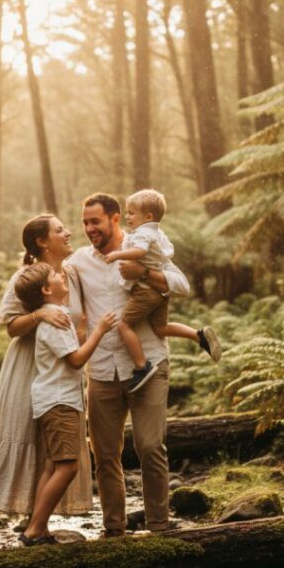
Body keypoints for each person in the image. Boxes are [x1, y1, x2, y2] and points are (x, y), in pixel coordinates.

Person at [0, 214, 92, 553]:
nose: (68, 233)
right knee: (13, 436)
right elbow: (10, 325)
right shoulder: (25, 276)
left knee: (51, 450)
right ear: (42, 241)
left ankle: (37, 524)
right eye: (59, 230)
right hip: (27, 369)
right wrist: (38, 315)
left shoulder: (72, 275)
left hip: (62, 369)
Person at [66, 193, 188, 537]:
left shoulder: (145, 246)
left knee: (150, 447)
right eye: (85, 222)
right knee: (104, 455)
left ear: (115, 218)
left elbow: (182, 284)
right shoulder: (78, 262)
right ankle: (114, 530)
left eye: (96, 222)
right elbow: (56, 286)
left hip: (149, 364)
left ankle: (159, 528)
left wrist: (145, 272)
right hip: (102, 371)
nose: (90, 229)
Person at [13, 263, 117, 545]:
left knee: (51, 465)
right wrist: (101, 330)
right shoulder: (55, 318)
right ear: (47, 289)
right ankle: (34, 530)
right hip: (60, 402)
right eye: (56, 276)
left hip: (54, 399)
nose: (62, 276)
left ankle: (39, 526)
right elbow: (75, 359)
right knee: (68, 467)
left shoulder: (56, 316)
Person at [103, 188, 222, 392]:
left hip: (146, 291)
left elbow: (139, 251)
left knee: (123, 326)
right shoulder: (157, 233)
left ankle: (142, 366)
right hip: (159, 292)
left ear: (148, 216)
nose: (128, 217)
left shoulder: (143, 234)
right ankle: (198, 335)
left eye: (131, 213)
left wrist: (117, 255)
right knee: (160, 328)